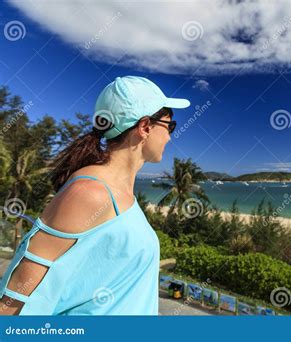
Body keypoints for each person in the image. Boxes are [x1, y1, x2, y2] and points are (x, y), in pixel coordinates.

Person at [0, 76, 190, 315]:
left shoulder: (119, 193)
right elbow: (13, 299)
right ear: (145, 127)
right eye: (169, 125)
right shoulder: (90, 193)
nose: (170, 136)